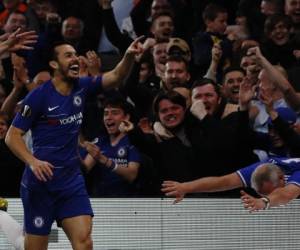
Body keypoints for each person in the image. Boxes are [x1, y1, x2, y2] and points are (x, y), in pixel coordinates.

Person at [5, 37, 143, 249]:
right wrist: (33, 161)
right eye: (68, 55)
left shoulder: (83, 87)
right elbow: (12, 136)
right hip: (40, 185)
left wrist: (128, 56)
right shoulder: (38, 96)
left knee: (84, 242)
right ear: (54, 64)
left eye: (75, 54)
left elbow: (116, 76)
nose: (75, 59)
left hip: (71, 182)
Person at [162, 157, 300, 212]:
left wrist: (264, 202)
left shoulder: (297, 173)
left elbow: (286, 194)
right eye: (262, 193)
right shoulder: (259, 170)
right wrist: (186, 187)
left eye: (271, 192)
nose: (270, 196)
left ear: (282, 179)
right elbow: (223, 182)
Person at [82, 96, 141, 197]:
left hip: (128, 202)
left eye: (115, 113)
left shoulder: (133, 141)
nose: (109, 117)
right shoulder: (100, 141)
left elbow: (132, 175)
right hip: (101, 201)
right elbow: (84, 169)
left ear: (126, 117)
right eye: (106, 114)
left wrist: (105, 160)